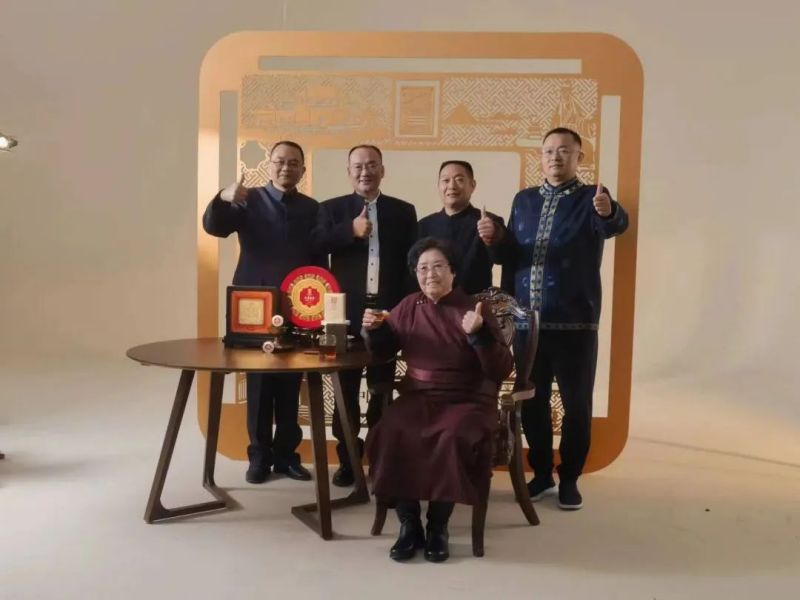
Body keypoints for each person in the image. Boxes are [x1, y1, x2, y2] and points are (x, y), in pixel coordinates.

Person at [487, 127, 629, 510]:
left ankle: (569, 478)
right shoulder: (524, 200)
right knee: (531, 403)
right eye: (549, 150)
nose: (555, 157)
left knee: (576, 405)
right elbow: (510, 256)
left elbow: (614, 224)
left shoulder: (591, 198)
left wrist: (610, 211)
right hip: (526, 326)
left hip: (575, 324)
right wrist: (495, 241)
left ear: (579, 157)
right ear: (541, 156)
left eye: (564, 150)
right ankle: (542, 474)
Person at [362, 237, 513, 562]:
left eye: (438, 266)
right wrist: (375, 331)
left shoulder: (474, 308)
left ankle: (438, 526)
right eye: (423, 268)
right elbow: (383, 352)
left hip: (467, 399)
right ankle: (409, 524)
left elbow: (500, 369)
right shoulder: (408, 306)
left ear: (453, 272)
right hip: (418, 396)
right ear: (415, 274)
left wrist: (479, 334)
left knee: (451, 435)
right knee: (391, 431)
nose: (430, 274)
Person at [203, 140, 322, 484]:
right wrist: (223, 197)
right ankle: (258, 457)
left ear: (303, 169)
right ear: (269, 165)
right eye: (280, 161)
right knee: (258, 383)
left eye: (294, 163)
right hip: (253, 306)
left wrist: (318, 305)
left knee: (290, 383)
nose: (286, 167)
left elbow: (318, 258)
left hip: (297, 306)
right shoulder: (248, 199)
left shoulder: (312, 208)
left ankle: (286, 456)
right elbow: (215, 227)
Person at [311, 145, 417, 487]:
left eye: (372, 165)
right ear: (348, 172)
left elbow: (411, 265)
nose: (365, 172)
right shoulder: (331, 209)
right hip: (343, 314)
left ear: (382, 170)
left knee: (381, 390)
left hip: (387, 313)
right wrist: (350, 231)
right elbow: (315, 245)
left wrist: (402, 310)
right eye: (357, 166)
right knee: (344, 391)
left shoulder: (403, 211)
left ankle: (380, 457)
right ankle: (348, 460)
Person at [417, 160, 505, 294]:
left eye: (459, 180)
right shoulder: (424, 225)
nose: (452, 186)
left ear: (472, 185)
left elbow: (501, 258)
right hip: (433, 303)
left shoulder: (489, 222)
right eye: (445, 180)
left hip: (475, 302)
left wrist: (494, 236)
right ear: (439, 186)